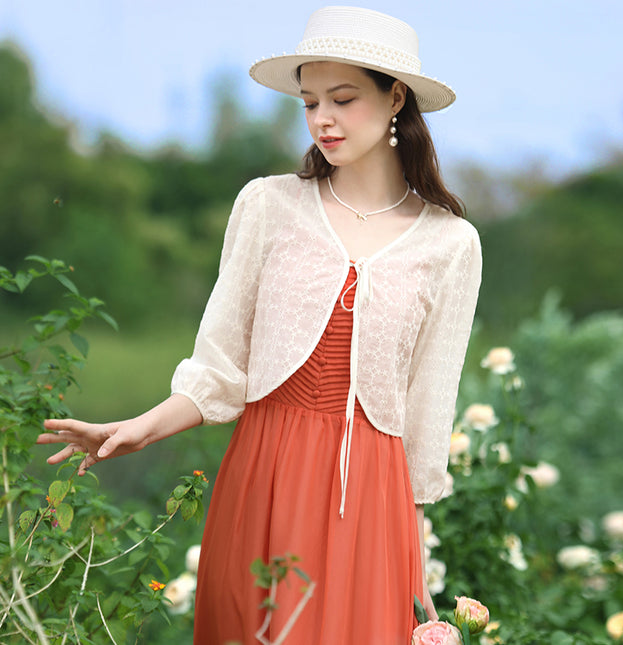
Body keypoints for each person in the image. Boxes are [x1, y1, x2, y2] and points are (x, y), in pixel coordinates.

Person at [38, 6, 482, 644]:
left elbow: (424, 423)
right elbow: (217, 370)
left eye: (344, 98)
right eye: (309, 102)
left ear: (396, 99)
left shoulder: (450, 244)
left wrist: (416, 582)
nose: (322, 118)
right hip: (265, 476)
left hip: (373, 502)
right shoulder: (268, 206)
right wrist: (138, 428)